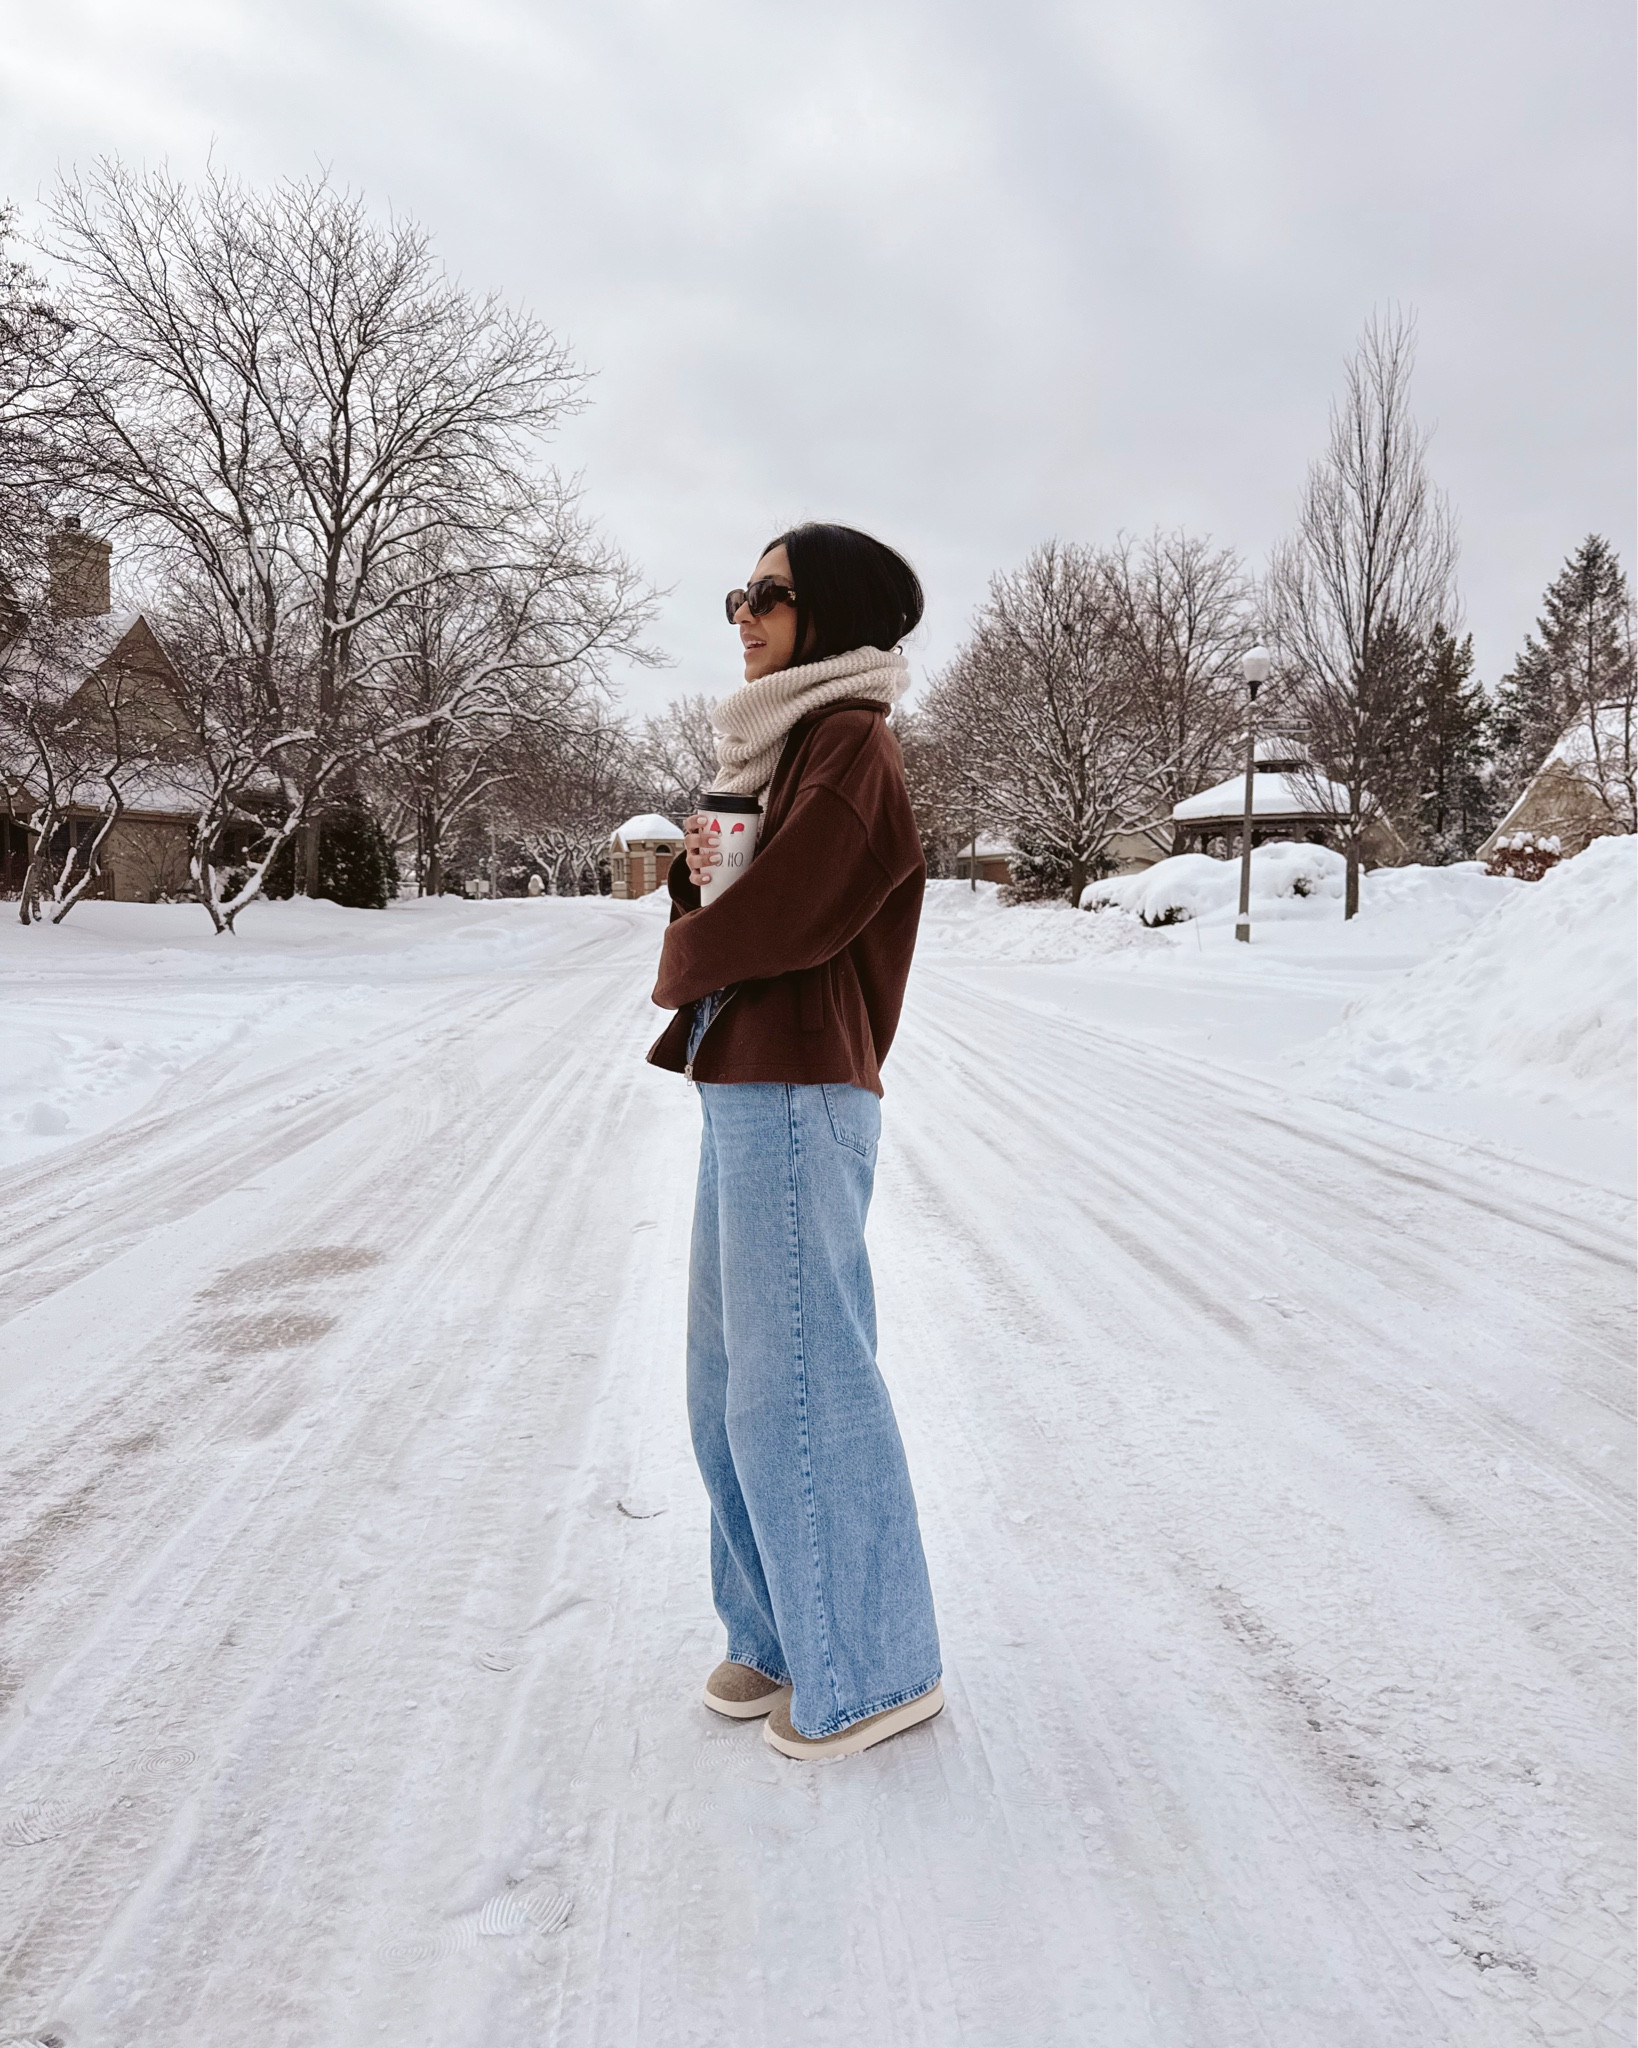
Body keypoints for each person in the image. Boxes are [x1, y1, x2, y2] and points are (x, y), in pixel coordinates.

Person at [647, 522, 943, 1762]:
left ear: (834, 612)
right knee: (727, 1379)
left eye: (770, 594)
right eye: (739, 594)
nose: (745, 613)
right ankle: (776, 1629)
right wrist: (696, 876)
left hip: (801, 1082)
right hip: (749, 1078)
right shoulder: (785, 747)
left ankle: (872, 1662)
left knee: (801, 1375)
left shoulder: (850, 739)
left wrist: (684, 948)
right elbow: (746, 893)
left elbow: (800, 905)